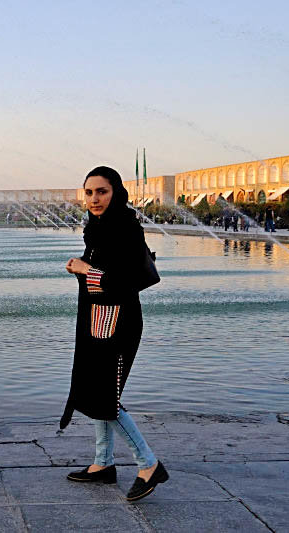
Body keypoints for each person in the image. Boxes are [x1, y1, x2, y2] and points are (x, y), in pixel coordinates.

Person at [61, 166, 168, 502]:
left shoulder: (124, 228)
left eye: (102, 192)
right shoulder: (98, 228)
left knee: (105, 398)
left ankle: (148, 464)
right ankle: (103, 464)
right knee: (97, 392)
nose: (94, 199)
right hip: (99, 321)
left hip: (118, 325)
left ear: (115, 192)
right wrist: (85, 266)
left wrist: (85, 269)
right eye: (89, 192)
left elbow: (125, 281)